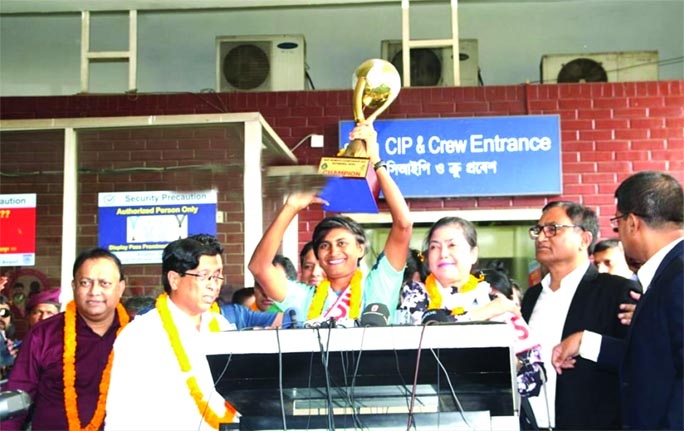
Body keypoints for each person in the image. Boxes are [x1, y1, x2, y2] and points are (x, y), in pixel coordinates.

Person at [552, 171, 683, 430]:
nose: (619, 234)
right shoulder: (666, 275)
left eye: (618, 223)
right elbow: (656, 360)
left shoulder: (678, 278)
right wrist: (586, 342)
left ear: (632, 222)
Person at [249, 121, 412, 325]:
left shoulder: (379, 285)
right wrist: (290, 207)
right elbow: (259, 267)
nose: (334, 251)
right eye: (325, 246)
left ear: (361, 248)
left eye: (342, 243)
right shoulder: (305, 296)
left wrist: (376, 160)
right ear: (318, 256)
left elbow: (403, 224)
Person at [520, 201, 640, 430]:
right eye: (538, 230)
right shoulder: (532, 296)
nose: (541, 238)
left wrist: (587, 343)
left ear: (584, 239)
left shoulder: (617, 292)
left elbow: (641, 359)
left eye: (553, 229)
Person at [105, 234, 237, 430]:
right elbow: (120, 416)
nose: (213, 284)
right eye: (204, 276)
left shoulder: (222, 327)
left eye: (217, 275)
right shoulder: (140, 335)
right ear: (174, 280)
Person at [3, 248, 128, 430]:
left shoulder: (136, 335)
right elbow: (17, 398)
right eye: (85, 282)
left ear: (120, 287)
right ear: (74, 286)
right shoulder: (43, 334)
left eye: (105, 283)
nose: (94, 291)